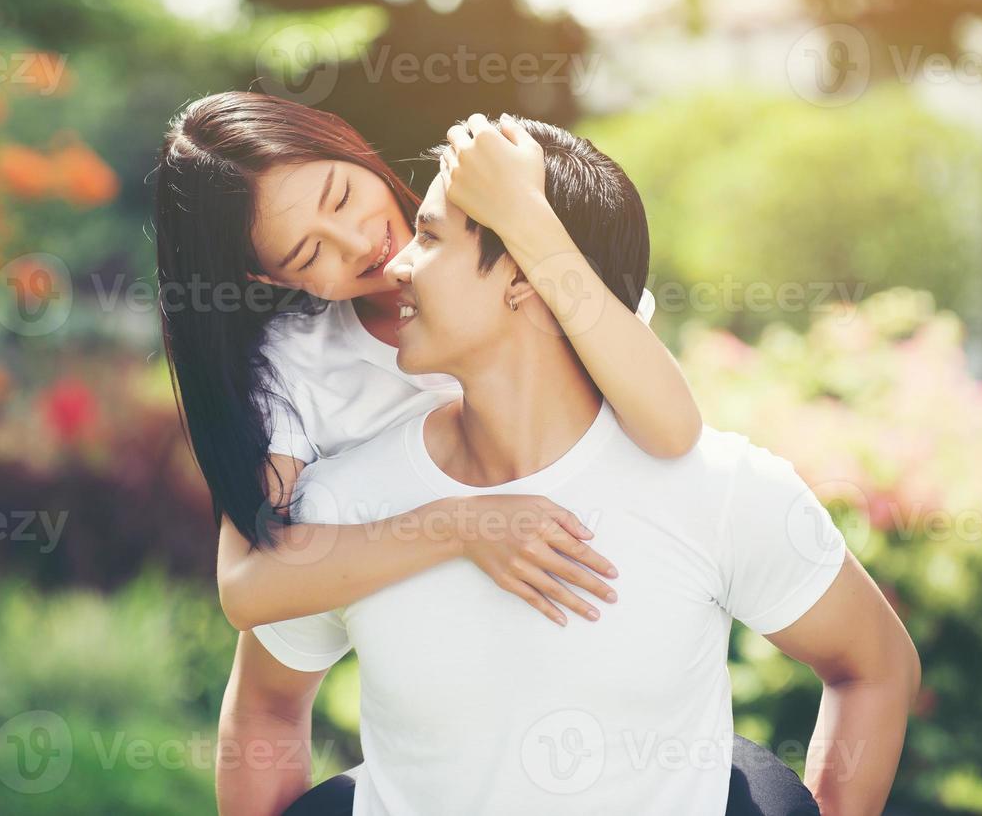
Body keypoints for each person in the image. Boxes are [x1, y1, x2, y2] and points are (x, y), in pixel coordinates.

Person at [225, 116, 922, 815]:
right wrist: (457, 525)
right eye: (308, 249)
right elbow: (261, 707)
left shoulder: (717, 489)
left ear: (526, 280)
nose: (395, 263)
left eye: (430, 237)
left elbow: (875, 668)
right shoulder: (339, 511)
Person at [155, 92, 701, 643]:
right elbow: (249, 585)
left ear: (351, 145)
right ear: (270, 279)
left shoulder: (502, 219)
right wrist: (460, 525)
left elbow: (672, 429)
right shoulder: (297, 366)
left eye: (342, 197)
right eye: (308, 254)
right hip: (444, 639)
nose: (361, 243)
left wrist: (522, 216)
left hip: (614, 599)